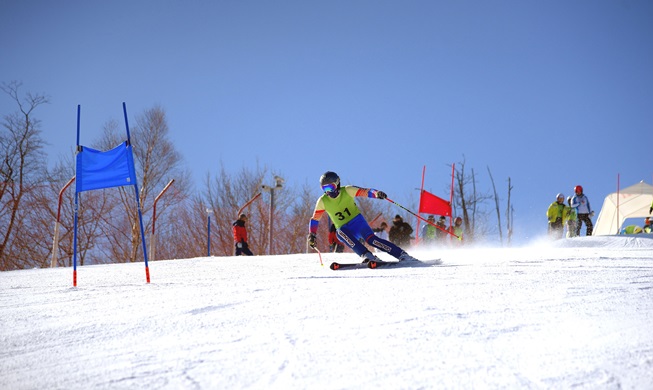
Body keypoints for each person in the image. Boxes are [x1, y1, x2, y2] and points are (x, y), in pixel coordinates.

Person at [307, 171, 418, 263]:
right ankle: (367, 255)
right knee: (340, 233)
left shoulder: (347, 191)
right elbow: (315, 219)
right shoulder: (323, 201)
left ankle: (401, 255)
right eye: (325, 189)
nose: (329, 192)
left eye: (331, 187)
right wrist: (312, 234)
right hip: (344, 228)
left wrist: (377, 193)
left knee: (372, 241)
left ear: (337, 184)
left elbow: (365, 192)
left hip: (358, 223)